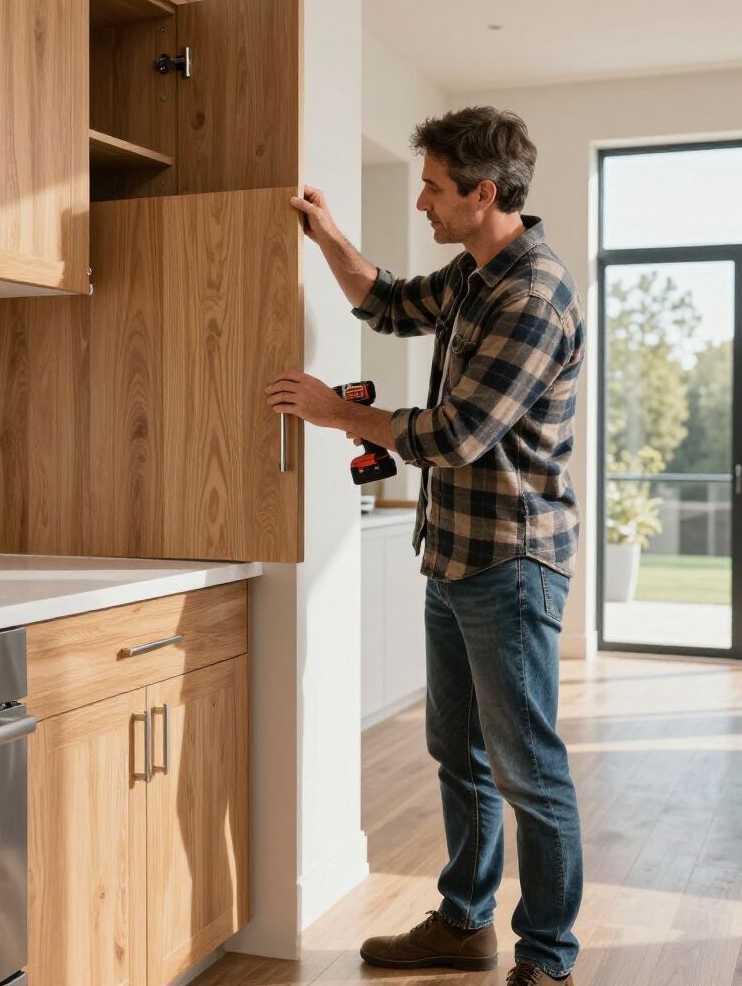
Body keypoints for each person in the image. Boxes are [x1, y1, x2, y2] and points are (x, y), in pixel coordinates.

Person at [265, 106, 585, 986]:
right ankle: (463, 923)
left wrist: (339, 411)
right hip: (454, 556)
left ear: (485, 194)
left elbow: (460, 432)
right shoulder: (477, 274)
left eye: (435, 187)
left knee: (529, 769)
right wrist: (325, 232)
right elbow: (390, 302)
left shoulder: (531, 294)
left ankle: (548, 960)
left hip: (512, 563)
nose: (422, 200)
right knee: (461, 755)